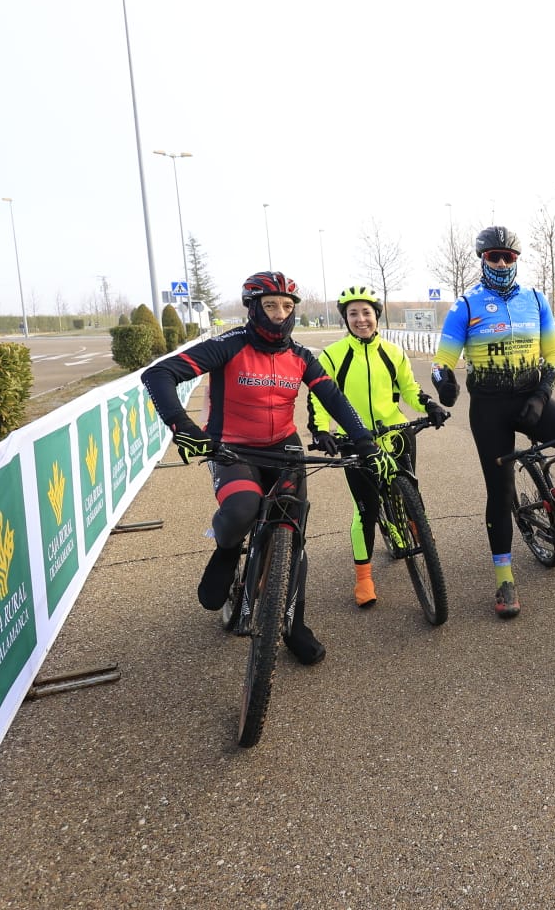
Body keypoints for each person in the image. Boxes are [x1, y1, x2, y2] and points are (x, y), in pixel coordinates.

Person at [143, 271, 395, 666]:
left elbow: (333, 398)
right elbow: (158, 375)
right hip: (233, 449)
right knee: (242, 509)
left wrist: (363, 442)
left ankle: (293, 625)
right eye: (271, 305)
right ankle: (227, 551)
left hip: (284, 448)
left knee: (293, 537)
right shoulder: (230, 345)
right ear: (253, 307)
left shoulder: (299, 355)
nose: (280, 314)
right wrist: (186, 430)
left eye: (288, 306)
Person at [431, 226, 555, 619]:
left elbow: (552, 355)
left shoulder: (535, 299)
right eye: (493, 256)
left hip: (532, 397)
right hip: (490, 407)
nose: (500, 262)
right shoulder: (466, 304)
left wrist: (541, 396)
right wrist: (443, 381)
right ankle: (504, 579)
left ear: (516, 260)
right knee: (500, 491)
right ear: (482, 259)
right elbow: (442, 359)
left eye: (508, 257)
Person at [307, 284, 448, 608]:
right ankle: (364, 578)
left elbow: (410, 389)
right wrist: (320, 430)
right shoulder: (333, 356)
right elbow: (319, 397)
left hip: (395, 433)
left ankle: (416, 528)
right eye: (353, 314)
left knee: (410, 490)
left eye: (366, 313)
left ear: (376, 316)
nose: (360, 319)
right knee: (366, 509)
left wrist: (429, 406)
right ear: (345, 319)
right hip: (355, 441)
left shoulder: (392, 352)